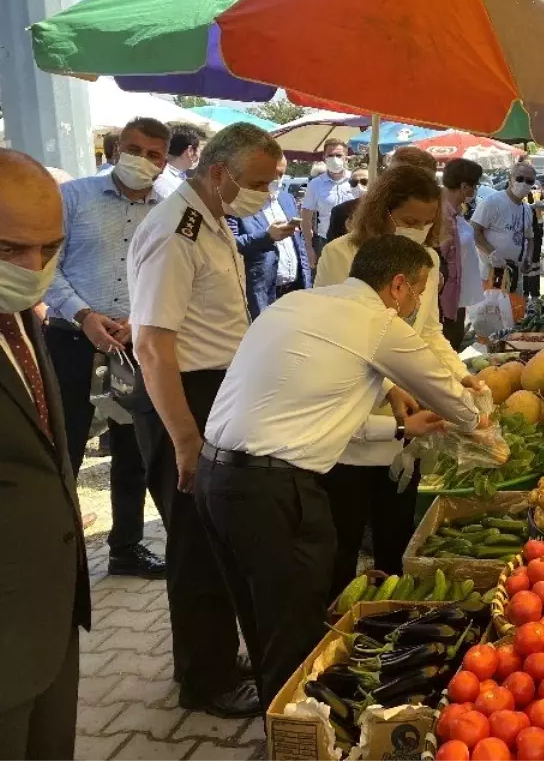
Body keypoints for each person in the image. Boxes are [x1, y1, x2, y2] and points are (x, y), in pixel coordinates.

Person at [198, 234, 484, 706]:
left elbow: (316, 412)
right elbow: (452, 399)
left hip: (218, 479)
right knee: (295, 625)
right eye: (417, 291)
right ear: (396, 286)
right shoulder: (378, 323)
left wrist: (398, 431)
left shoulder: (297, 305)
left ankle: (275, 722)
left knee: (259, 614)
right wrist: (479, 416)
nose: (416, 303)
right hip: (277, 490)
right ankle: (294, 738)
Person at [127, 122, 282, 719]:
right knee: (195, 543)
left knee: (216, 536)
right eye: (258, 182)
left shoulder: (210, 217)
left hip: (213, 391)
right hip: (182, 398)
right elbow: (153, 347)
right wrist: (185, 440)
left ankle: (214, 651)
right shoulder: (176, 229)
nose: (265, 194)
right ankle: (205, 678)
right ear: (219, 172)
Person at [316, 161, 487, 593]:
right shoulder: (340, 254)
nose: (416, 230)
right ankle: (334, 619)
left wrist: (458, 377)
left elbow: (428, 330)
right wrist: (391, 386)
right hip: (352, 413)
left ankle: (389, 607)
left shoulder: (426, 259)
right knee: (344, 533)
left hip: (408, 415)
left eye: (425, 224)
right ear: (382, 210)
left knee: (397, 524)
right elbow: (339, 335)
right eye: (408, 221)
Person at [43, 117, 171, 580]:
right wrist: (84, 315)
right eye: (135, 149)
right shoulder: (72, 197)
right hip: (72, 340)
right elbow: (46, 266)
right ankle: (62, 555)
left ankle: (126, 548)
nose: (143, 160)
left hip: (135, 345)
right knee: (66, 448)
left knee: (133, 451)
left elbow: (166, 276)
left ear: (163, 161)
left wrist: (139, 321)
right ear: (117, 148)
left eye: (154, 154)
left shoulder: (167, 210)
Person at [0, 150, 90, 761]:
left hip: (48, 615)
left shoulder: (21, 317)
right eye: (9, 251)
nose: (34, 268)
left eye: (49, 248)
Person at [227, 152, 312, 319]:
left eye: (281, 174)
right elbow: (230, 244)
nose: (277, 179)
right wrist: (267, 236)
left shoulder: (286, 199)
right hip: (262, 293)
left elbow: (299, 243)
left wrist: (307, 284)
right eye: (273, 173)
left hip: (293, 289)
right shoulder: (237, 203)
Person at [327, 149, 429, 244]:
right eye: (410, 222)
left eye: (428, 222)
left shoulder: (434, 211)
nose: (419, 229)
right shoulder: (342, 216)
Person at [439, 159, 484, 349]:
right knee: (448, 345)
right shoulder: (443, 215)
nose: (476, 190)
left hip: (459, 296)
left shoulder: (457, 211)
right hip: (447, 297)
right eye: (476, 185)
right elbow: (440, 256)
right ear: (464, 186)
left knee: (455, 341)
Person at [472, 161, 536, 292]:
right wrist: (492, 254)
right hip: (490, 272)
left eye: (529, 181)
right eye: (519, 178)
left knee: (514, 310)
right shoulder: (493, 202)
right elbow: (474, 230)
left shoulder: (526, 209)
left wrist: (528, 258)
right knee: (490, 310)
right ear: (510, 179)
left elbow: (529, 239)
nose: (524, 183)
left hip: (514, 274)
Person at [301, 139, 356, 265]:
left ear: (346, 157)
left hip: (353, 241)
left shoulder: (356, 181)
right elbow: (306, 218)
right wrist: (309, 248)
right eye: (330, 155)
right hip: (324, 242)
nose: (334, 159)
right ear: (324, 157)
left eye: (338, 155)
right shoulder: (315, 184)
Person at [156, 123, 204, 198]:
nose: (200, 155)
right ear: (190, 151)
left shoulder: (172, 177)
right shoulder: (166, 184)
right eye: (200, 150)